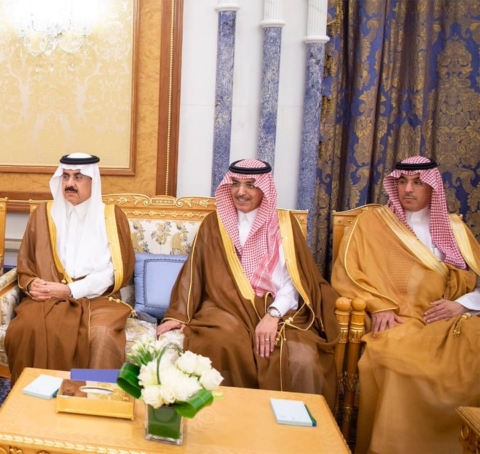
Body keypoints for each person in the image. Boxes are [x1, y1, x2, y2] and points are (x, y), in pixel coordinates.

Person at [156, 159, 340, 408]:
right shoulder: (214, 224)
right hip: (225, 307)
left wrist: (273, 315)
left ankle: (288, 426)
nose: (240, 192)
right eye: (235, 184)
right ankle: (226, 418)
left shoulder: (284, 225)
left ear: (264, 188)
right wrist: (178, 314)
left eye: (250, 185)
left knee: (301, 358)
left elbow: (294, 282)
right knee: (221, 342)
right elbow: (194, 272)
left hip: (279, 309)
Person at [331, 156, 480, 454]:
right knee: (397, 360)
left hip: (449, 320)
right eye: (402, 182)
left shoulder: (455, 229)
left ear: (433, 187)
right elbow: (347, 273)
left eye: (417, 183)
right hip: (399, 318)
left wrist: (463, 305)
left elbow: (475, 279)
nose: (408, 189)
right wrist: (379, 306)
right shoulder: (372, 223)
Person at [4, 153, 135, 383]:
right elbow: (26, 263)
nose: (70, 183)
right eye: (65, 177)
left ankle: (91, 399)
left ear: (93, 181)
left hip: (97, 298)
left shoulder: (111, 217)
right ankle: (34, 397)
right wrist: (33, 284)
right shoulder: (43, 215)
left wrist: (70, 290)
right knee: (26, 327)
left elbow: (115, 271)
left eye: (78, 177)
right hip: (47, 297)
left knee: (102, 335)